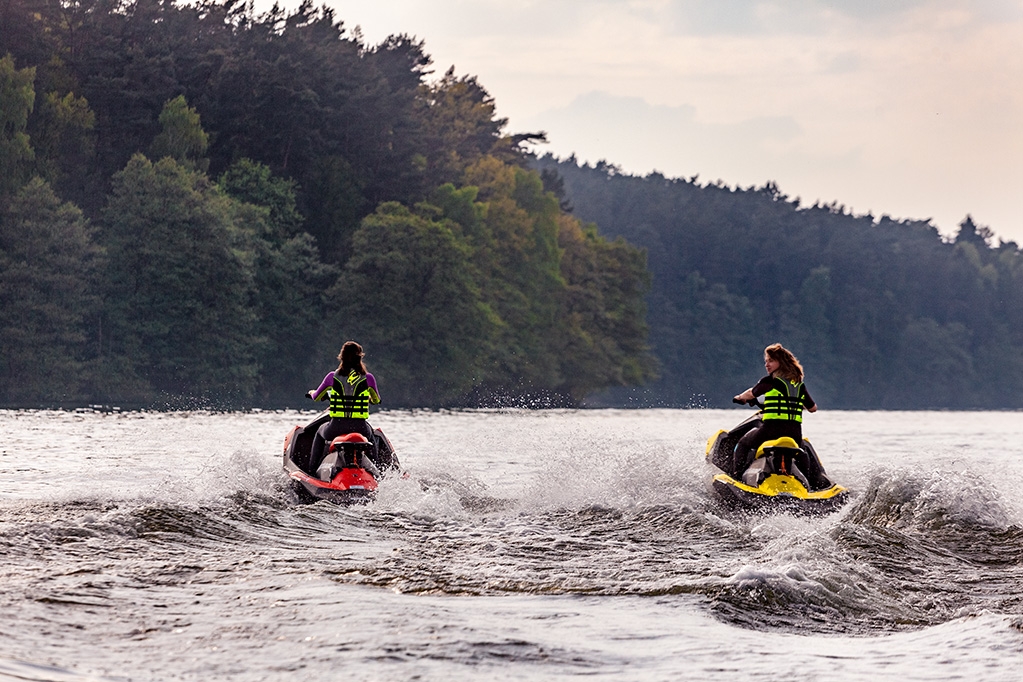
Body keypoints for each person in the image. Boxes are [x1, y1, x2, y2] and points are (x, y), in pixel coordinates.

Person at [731, 343, 817, 478]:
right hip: (794, 433)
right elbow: (812, 408)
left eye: (771, 361)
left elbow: (751, 393)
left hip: (771, 430)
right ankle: (809, 482)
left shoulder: (770, 381)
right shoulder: (799, 384)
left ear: (780, 362)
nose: (767, 365)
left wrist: (740, 398)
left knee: (743, 444)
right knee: (802, 452)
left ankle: (736, 477)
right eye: (766, 361)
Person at [307, 341, 381, 474]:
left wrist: (312, 392)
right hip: (360, 428)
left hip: (336, 427)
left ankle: (311, 471)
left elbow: (317, 397)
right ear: (360, 357)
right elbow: (376, 400)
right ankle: (379, 472)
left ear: (341, 357)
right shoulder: (368, 378)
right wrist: (368, 399)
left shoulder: (332, 377)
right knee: (372, 435)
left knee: (319, 432)